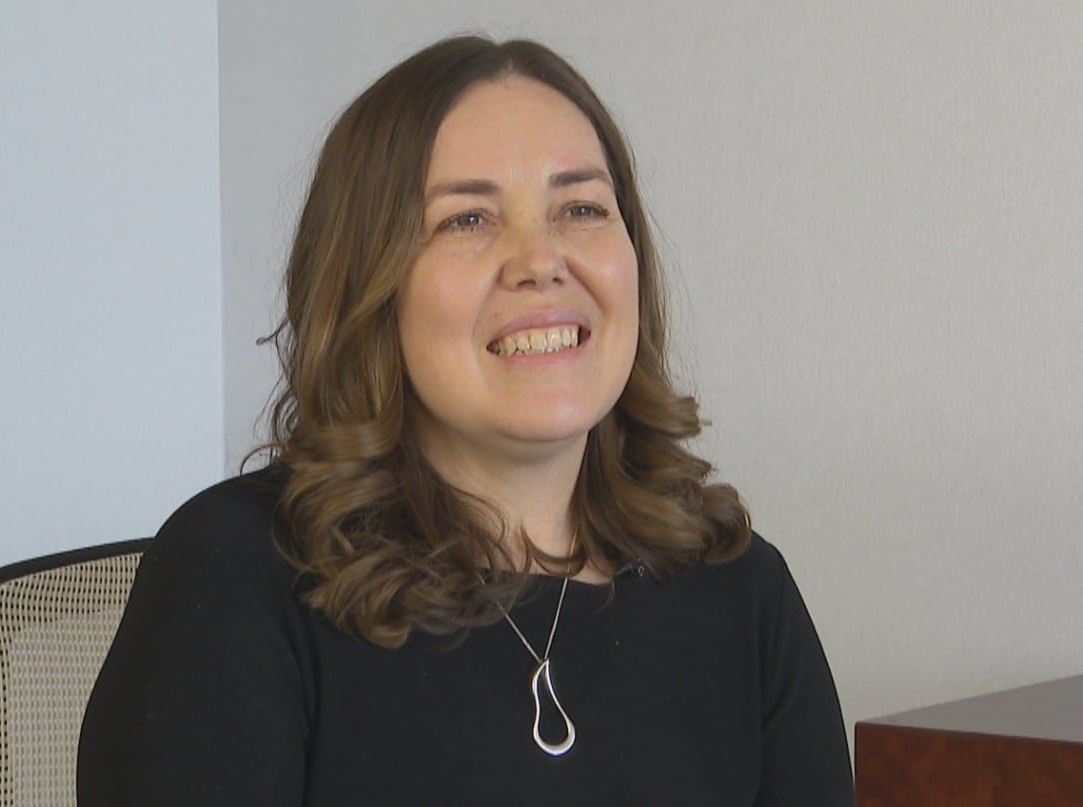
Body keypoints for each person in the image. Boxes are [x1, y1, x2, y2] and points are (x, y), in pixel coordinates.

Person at [77, 35, 854, 805]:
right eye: (468, 220)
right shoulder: (236, 576)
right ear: (369, 284)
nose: (540, 260)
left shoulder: (739, 590)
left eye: (581, 207)